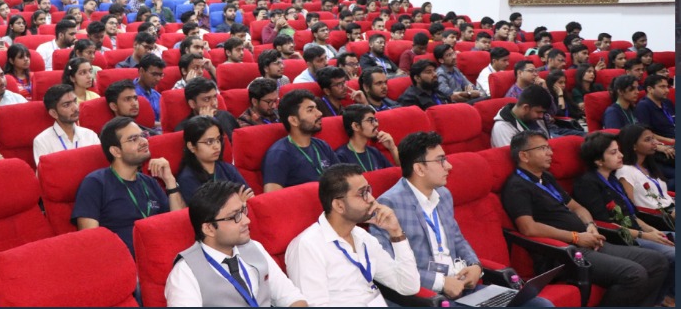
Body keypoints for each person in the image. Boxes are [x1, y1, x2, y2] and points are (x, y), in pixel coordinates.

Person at [371, 132, 553, 305]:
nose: (449, 166)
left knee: (539, 304)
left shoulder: (443, 195)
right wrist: (441, 283)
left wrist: (475, 265)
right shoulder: (389, 205)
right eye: (441, 160)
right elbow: (390, 267)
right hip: (427, 297)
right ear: (419, 168)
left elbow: (457, 239)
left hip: (460, 285)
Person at [501, 130, 668, 307]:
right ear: (524, 156)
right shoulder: (517, 187)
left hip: (587, 240)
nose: (550, 153)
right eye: (543, 148)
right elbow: (528, 228)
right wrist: (575, 237)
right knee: (634, 274)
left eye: (549, 147)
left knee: (658, 262)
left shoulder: (546, 178)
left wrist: (590, 225)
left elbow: (577, 207)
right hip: (563, 253)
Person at [285, 164, 420, 306]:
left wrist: (396, 232)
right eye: (362, 193)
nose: (371, 199)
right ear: (339, 205)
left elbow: (408, 286)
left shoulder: (361, 236)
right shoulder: (308, 246)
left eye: (369, 190)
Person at [165, 181, 307, 307]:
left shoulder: (255, 247)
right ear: (209, 228)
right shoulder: (185, 273)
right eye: (235, 216)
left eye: (243, 211)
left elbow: (292, 298)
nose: (246, 221)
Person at [573, 132, 675, 307]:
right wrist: (645, 236)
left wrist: (651, 230)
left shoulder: (612, 178)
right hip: (619, 237)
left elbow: (631, 214)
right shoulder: (587, 184)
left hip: (636, 231)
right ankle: (657, 301)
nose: (621, 155)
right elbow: (604, 224)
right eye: (613, 152)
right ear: (598, 161)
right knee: (672, 254)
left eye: (619, 150)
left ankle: (663, 298)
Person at [71, 117, 185, 257]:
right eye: (133, 139)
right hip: (124, 261)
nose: (143, 141)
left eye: (143, 135)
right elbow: (90, 240)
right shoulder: (95, 183)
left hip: (164, 254)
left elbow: (179, 225)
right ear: (116, 151)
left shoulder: (150, 182)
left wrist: (170, 182)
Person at [262, 90, 340, 192]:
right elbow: (272, 196)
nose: (320, 113)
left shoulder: (322, 145)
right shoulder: (279, 153)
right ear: (294, 120)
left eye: (316, 108)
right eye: (310, 110)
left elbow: (342, 177)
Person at [176, 116, 253, 203]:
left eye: (218, 140)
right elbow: (205, 210)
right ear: (191, 147)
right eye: (209, 142)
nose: (216, 146)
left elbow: (249, 197)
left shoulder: (228, 169)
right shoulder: (187, 178)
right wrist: (238, 202)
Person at [32, 84, 100, 165]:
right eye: (67, 105)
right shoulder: (42, 141)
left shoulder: (90, 135)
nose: (75, 108)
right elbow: (46, 171)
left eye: (75, 101)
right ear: (54, 113)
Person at [616, 124, 676, 214]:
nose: (655, 142)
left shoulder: (648, 165)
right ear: (633, 145)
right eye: (648, 140)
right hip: (658, 216)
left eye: (653, 138)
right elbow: (631, 209)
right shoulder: (625, 171)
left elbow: (662, 195)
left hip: (671, 208)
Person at [174, 77, 240, 141]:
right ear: (192, 104)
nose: (214, 103)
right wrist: (207, 122)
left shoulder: (225, 116)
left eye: (215, 97)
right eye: (207, 99)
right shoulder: (184, 129)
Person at [335, 104, 397, 171]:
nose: (376, 124)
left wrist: (392, 148)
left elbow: (398, 173)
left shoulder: (374, 152)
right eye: (370, 120)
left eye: (375, 120)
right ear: (356, 126)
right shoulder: (341, 156)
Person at [635, 75, 675, 145]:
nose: (667, 90)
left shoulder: (667, 102)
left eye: (667, 87)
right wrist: (672, 141)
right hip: (665, 143)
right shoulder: (643, 106)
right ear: (650, 89)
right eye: (662, 87)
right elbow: (645, 133)